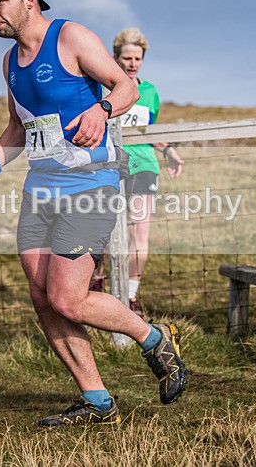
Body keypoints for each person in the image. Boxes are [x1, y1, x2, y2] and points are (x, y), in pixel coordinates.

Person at [0, 0, 186, 427]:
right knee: (43, 298)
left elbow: (127, 86)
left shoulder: (70, 37)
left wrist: (102, 111)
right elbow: (18, 129)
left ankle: (153, 338)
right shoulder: (9, 63)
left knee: (68, 297)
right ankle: (96, 401)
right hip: (39, 189)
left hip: (90, 185)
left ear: (28, 0)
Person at [90, 29, 185, 317]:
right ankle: (97, 282)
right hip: (109, 167)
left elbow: (149, 131)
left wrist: (169, 151)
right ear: (115, 57)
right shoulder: (102, 89)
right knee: (102, 233)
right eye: (127, 58)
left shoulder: (150, 93)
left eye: (137, 58)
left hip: (144, 167)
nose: (132, 63)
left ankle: (130, 297)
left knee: (139, 232)